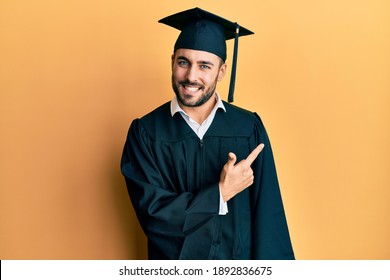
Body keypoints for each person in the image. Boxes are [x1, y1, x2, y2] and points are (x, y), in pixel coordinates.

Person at [121, 7, 295, 260]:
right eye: (183, 62)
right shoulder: (147, 132)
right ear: (172, 62)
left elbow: (269, 218)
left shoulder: (248, 128)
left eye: (204, 66)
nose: (191, 76)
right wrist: (220, 194)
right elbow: (154, 215)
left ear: (221, 71)